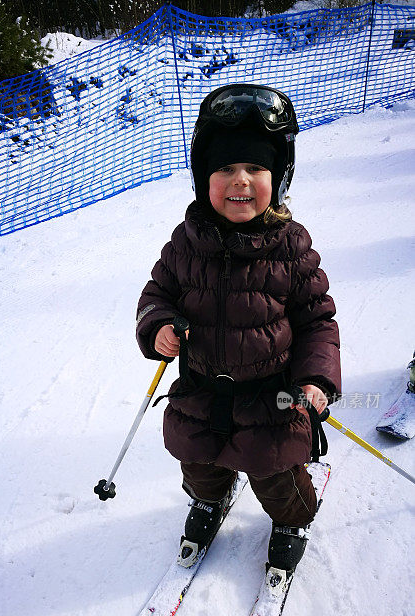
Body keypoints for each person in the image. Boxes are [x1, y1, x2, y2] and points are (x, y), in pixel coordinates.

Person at [136, 84, 341, 587]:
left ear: (279, 176)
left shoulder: (291, 248)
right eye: (224, 169)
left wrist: (316, 379)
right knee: (198, 465)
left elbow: (317, 319)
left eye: (254, 168)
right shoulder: (185, 243)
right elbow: (155, 294)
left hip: (272, 399)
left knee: (278, 478)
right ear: (203, 178)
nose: (239, 181)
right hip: (201, 394)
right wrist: (159, 325)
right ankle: (211, 497)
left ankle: (292, 521)